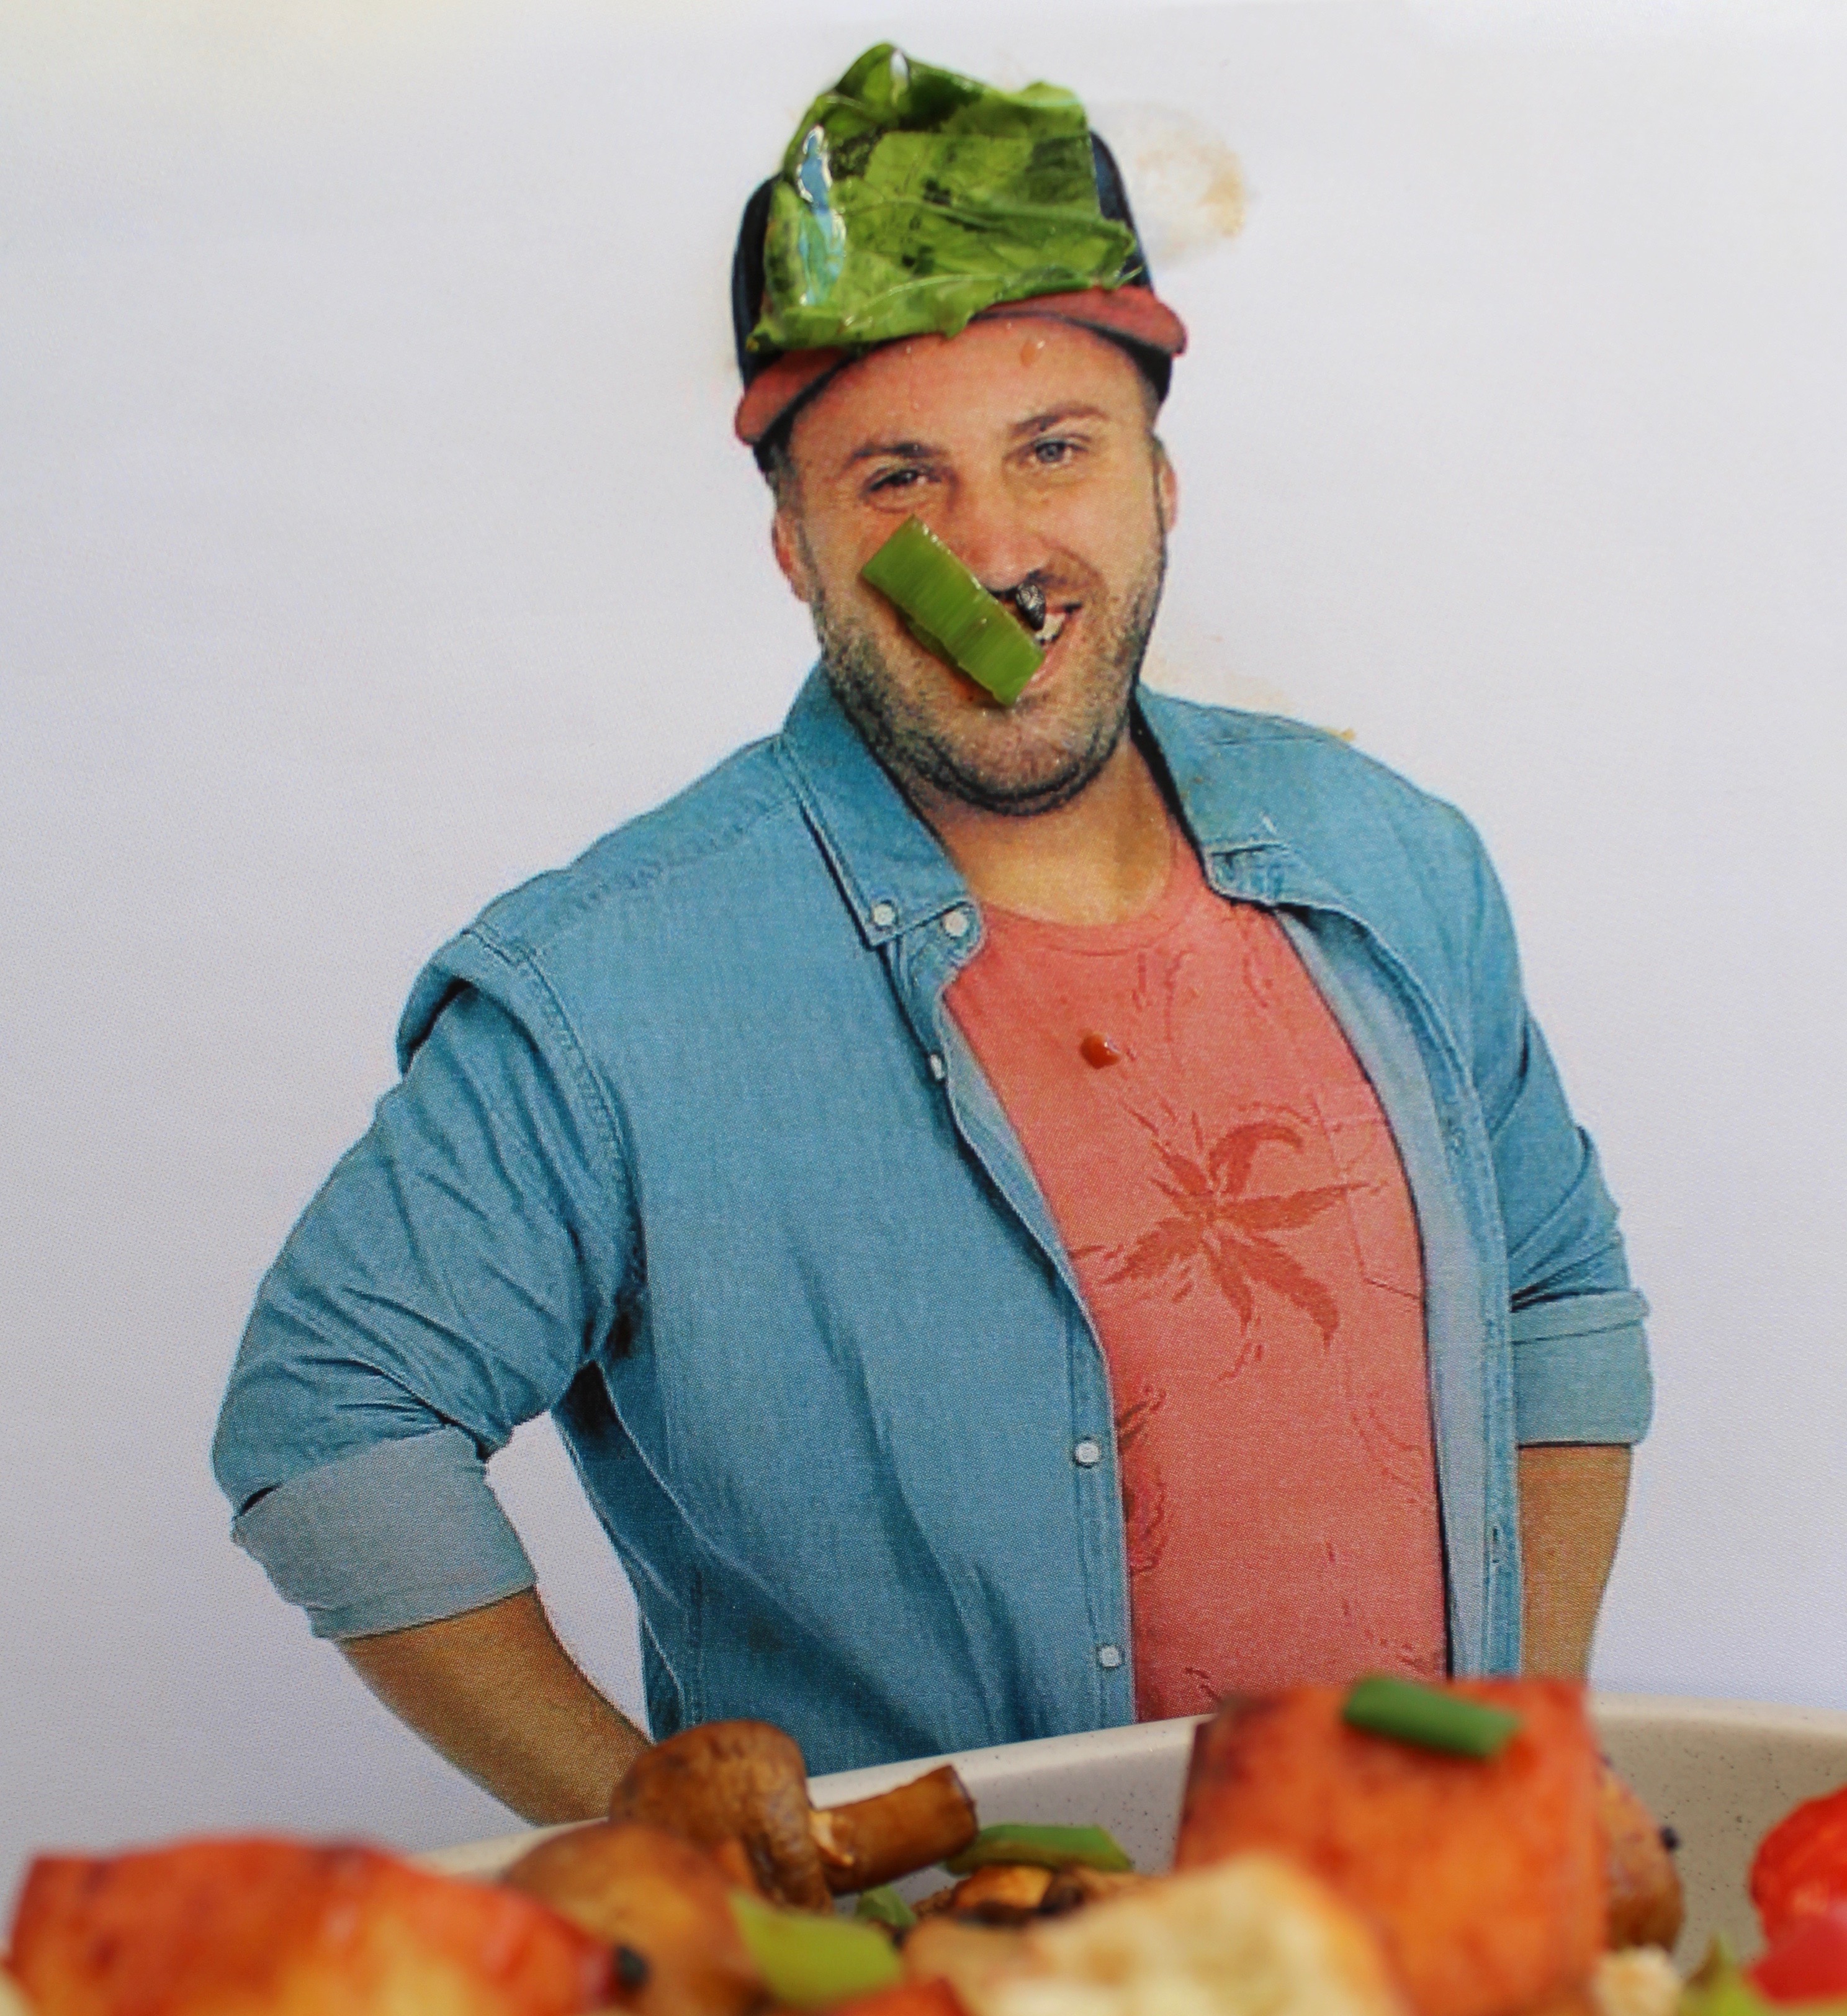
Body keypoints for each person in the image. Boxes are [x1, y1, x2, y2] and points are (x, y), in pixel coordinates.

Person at [213, 45, 1650, 1820]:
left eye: (1056, 450)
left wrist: (1527, 1736)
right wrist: (660, 1838)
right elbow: (330, 1424)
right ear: (794, 547)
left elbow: (1558, 1296)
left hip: (1426, 1911)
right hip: (957, 1961)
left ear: (1159, 482)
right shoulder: (605, 993)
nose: (990, 549)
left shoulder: (1397, 859)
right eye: (898, 482)